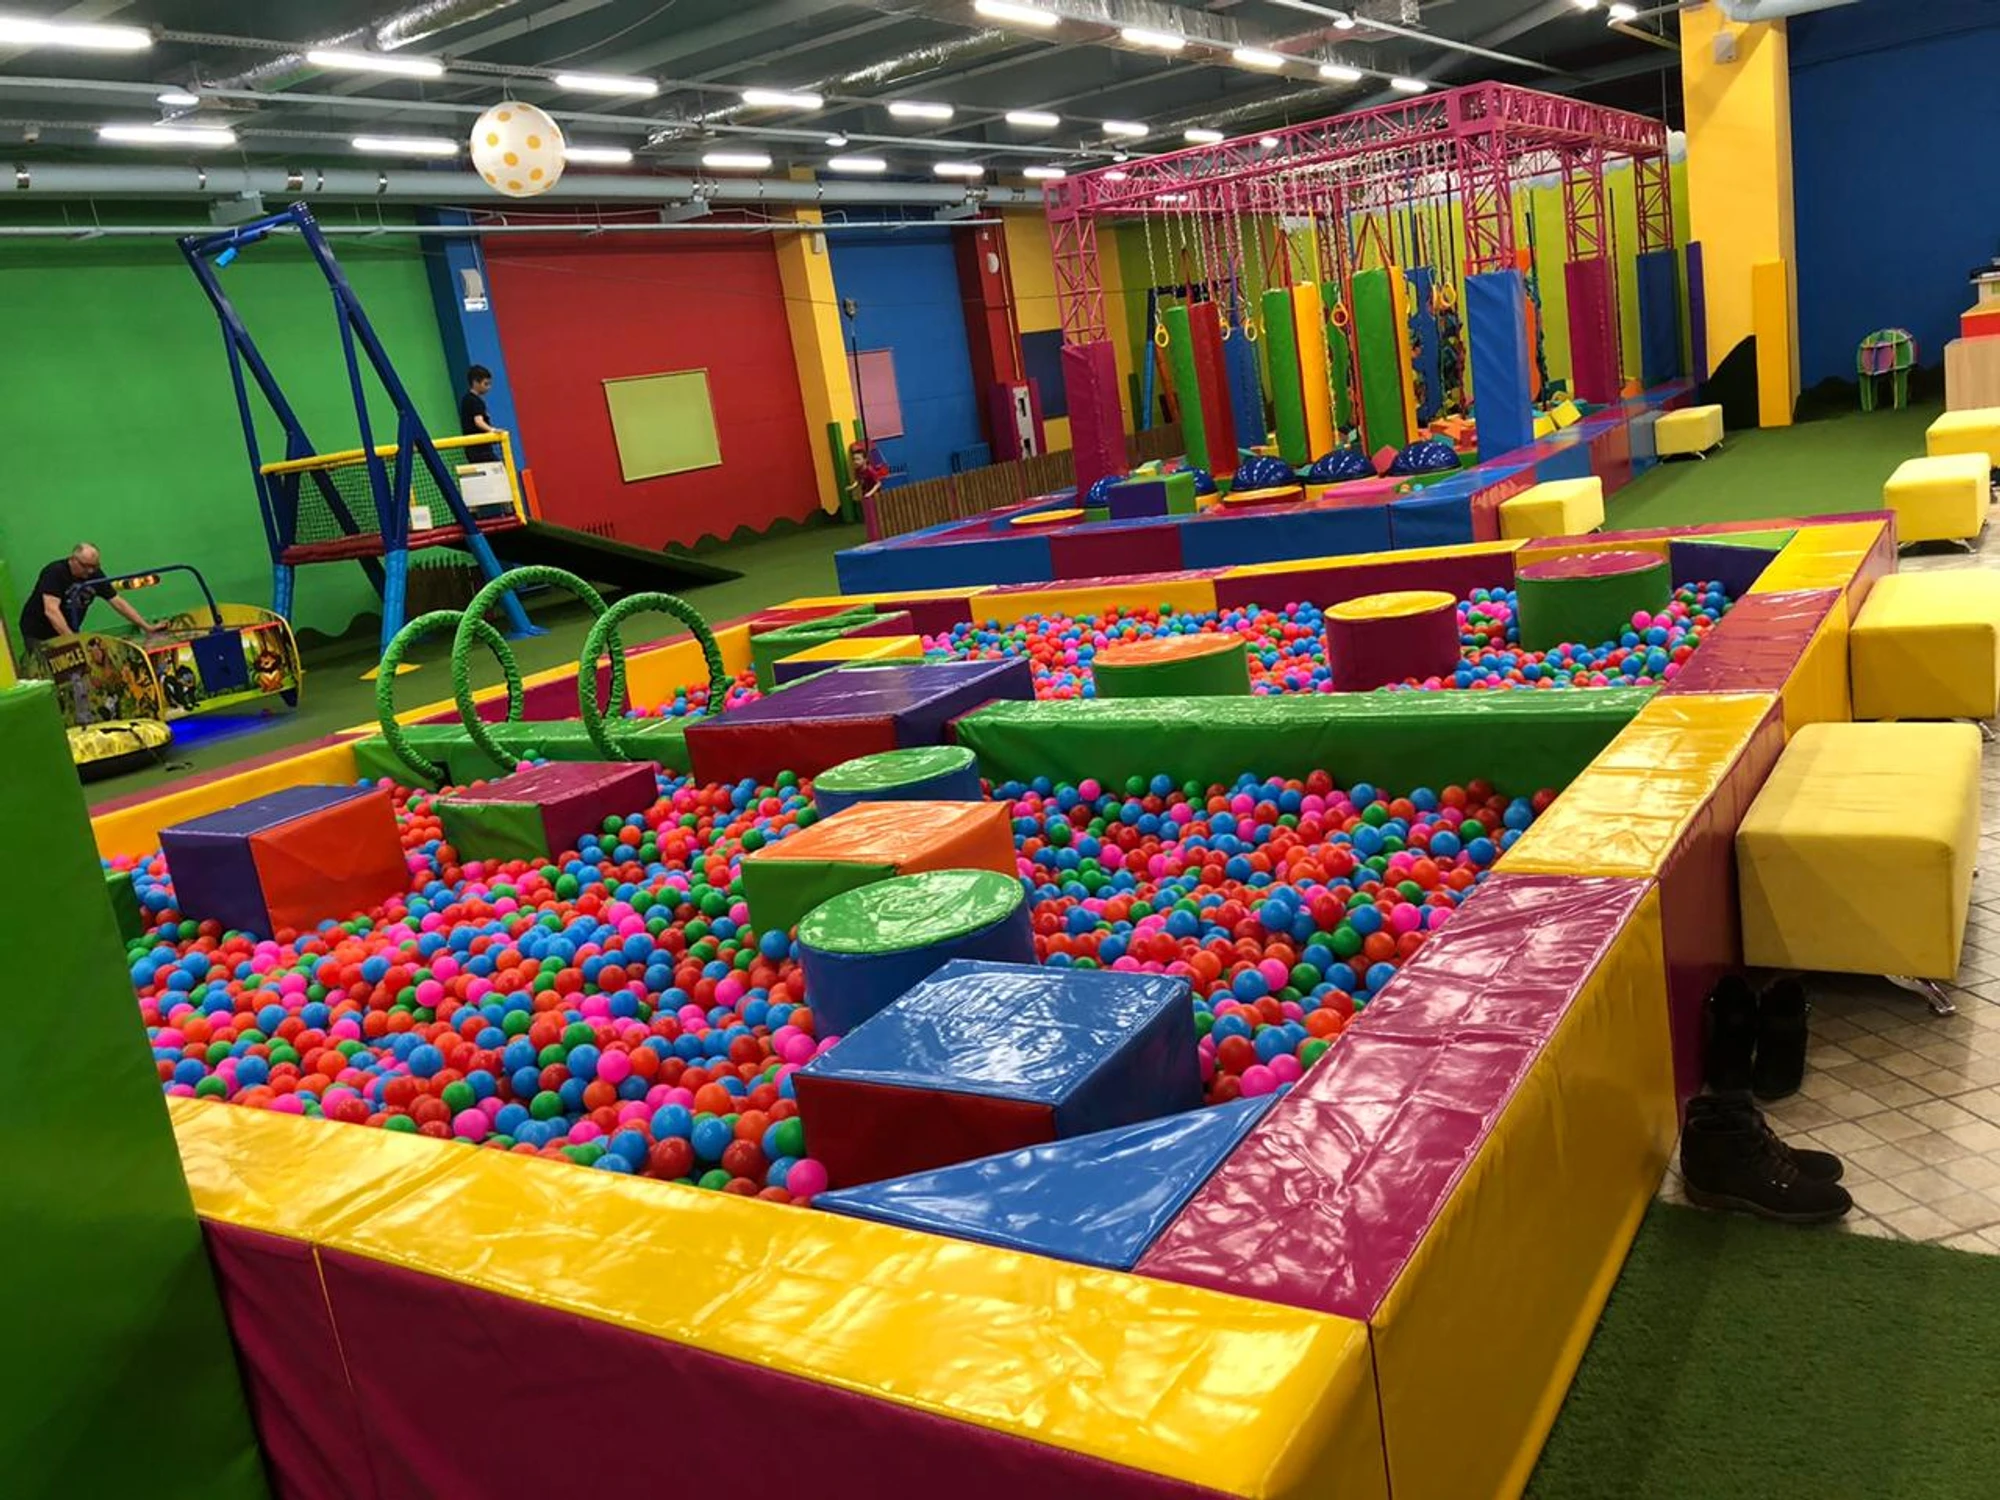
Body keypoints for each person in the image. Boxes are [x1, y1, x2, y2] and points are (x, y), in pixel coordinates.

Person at [17, 543, 154, 648]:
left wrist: (146, 626)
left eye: (94, 566)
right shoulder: (55, 572)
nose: (90, 571)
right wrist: (72, 640)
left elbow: (118, 602)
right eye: (85, 566)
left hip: (67, 630)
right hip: (38, 631)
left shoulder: (95, 575)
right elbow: (51, 610)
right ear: (72, 559)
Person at [460, 364, 501, 463]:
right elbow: (478, 421)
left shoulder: (466, 399)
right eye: (485, 384)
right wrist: (492, 430)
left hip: (474, 449)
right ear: (475, 382)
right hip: (480, 450)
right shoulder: (475, 401)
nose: (488, 387)